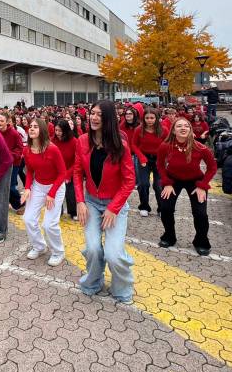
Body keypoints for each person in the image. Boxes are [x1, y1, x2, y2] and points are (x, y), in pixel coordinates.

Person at [74, 100, 136, 304]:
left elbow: (129, 181)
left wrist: (113, 208)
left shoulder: (121, 146)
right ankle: (93, 282)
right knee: (93, 248)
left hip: (114, 205)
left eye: (99, 114)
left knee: (113, 254)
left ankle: (122, 288)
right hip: (91, 202)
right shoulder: (82, 141)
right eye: (92, 113)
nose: (93, 117)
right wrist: (80, 202)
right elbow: (77, 172)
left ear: (108, 119)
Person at [157, 117, 218, 256]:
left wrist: (203, 185)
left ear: (190, 130)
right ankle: (169, 236)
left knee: (200, 213)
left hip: (195, 181)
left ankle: (201, 241)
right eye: (179, 126)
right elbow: (160, 165)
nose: (183, 128)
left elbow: (212, 167)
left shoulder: (200, 147)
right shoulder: (165, 146)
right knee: (166, 209)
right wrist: (166, 182)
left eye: (186, 126)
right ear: (173, 130)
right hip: (173, 179)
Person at [22, 119, 67, 266]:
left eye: (35, 127)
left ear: (42, 130)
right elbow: (30, 170)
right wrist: (27, 188)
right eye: (31, 126)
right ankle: (39, 246)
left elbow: (62, 173)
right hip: (38, 186)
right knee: (28, 219)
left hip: (56, 187)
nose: (32, 129)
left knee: (49, 224)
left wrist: (52, 193)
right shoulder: (27, 149)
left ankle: (58, 252)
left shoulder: (52, 149)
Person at [133, 109, 168, 217]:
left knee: (158, 185)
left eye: (152, 118)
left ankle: (162, 208)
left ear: (156, 118)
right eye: (147, 118)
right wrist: (141, 157)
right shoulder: (139, 130)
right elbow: (134, 145)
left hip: (159, 159)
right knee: (143, 184)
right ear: (144, 118)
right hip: (144, 159)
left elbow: (168, 145)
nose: (149, 120)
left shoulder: (164, 130)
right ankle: (144, 206)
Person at [0, 112, 25, 215]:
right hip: (0, 164)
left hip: (14, 163)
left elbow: (20, 148)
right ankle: (5, 202)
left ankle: (20, 204)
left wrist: (9, 155)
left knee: (11, 185)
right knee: (2, 184)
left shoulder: (14, 133)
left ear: (7, 122)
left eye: (1, 121)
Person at [52, 120, 77, 220]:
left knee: (70, 194)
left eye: (60, 131)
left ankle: (73, 211)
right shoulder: (53, 141)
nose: (57, 133)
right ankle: (58, 211)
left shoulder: (74, 141)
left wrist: (68, 174)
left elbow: (77, 161)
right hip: (56, 173)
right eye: (56, 130)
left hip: (69, 171)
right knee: (57, 193)